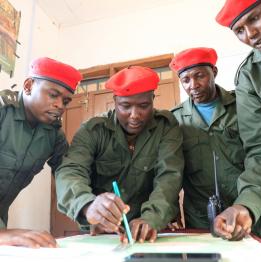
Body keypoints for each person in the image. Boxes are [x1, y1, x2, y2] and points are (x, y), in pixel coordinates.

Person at [55, 66, 184, 243]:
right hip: (102, 230)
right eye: (125, 106)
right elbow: (70, 170)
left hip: (150, 228)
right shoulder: (93, 130)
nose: (134, 115)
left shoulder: (166, 127)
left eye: (144, 106)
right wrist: (87, 205)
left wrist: (151, 218)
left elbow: (169, 176)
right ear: (115, 101)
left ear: (153, 100)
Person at [169, 47, 261, 241]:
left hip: (251, 210)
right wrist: (172, 210)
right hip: (202, 217)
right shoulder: (176, 119)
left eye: (200, 76)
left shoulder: (244, 104)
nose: (193, 85)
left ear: (214, 72)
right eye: (186, 80)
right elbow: (171, 170)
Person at [0, 57, 82, 247]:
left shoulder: (54, 135)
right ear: (28, 86)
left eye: (66, 101)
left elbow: (68, 176)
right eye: (53, 95)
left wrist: (88, 208)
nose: (60, 105)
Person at [215, 0, 261, 241]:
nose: (251, 34)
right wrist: (245, 205)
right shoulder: (250, 75)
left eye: (255, 18)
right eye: (239, 30)